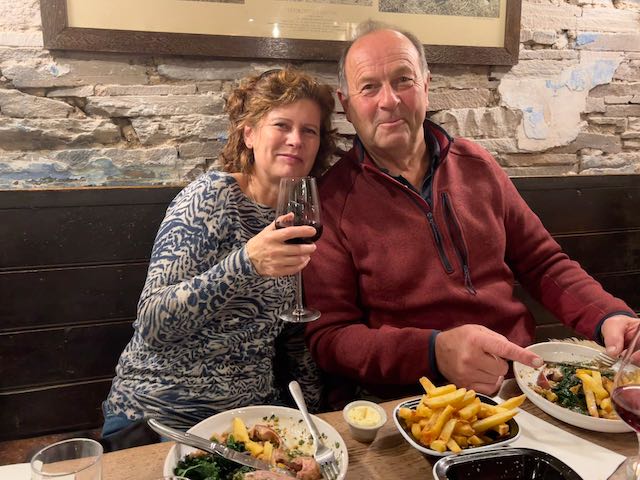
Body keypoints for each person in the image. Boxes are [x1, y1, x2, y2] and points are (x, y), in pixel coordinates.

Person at [303, 21, 639, 402]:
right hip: (412, 401)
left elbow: (543, 263)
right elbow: (330, 337)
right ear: (346, 105)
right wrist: (434, 352)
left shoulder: (476, 163)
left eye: (403, 80)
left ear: (426, 85)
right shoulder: (331, 200)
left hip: (520, 382)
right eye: (369, 87)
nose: (389, 100)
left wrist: (609, 316)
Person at [101, 68, 337, 446]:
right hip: (162, 412)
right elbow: (153, 323)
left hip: (249, 417)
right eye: (282, 125)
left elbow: (293, 335)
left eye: (309, 130)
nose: (296, 140)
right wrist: (246, 263)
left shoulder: (299, 215)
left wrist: (315, 420)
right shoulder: (211, 198)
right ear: (249, 134)